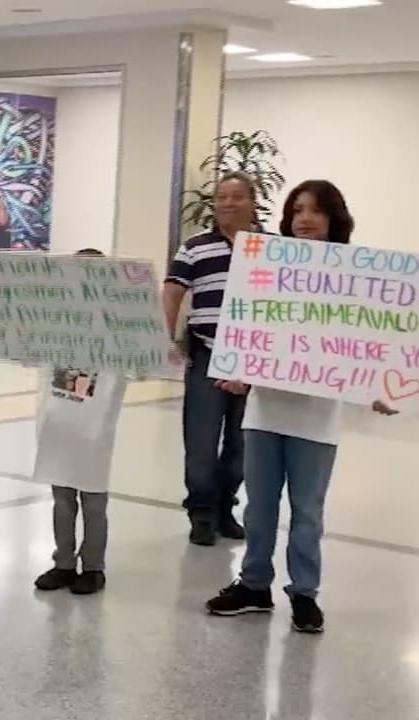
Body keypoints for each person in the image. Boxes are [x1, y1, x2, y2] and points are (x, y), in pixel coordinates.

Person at [205, 180, 398, 633]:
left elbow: (367, 339)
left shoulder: (353, 276)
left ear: (334, 218)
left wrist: (379, 387)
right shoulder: (268, 268)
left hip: (317, 419)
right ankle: (254, 584)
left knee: (307, 513)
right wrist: (239, 370)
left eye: (314, 211)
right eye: (297, 211)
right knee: (259, 508)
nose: (304, 219)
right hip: (265, 413)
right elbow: (253, 328)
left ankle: (304, 593)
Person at [163, 172, 256, 546]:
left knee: (242, 442)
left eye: (236, 196)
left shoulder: (272, 249)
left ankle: (225, 507)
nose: (227, 203)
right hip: (207, 353)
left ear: (252, 202)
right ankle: (201, 512)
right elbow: (172, 293)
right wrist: (165, 338)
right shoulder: (194, 248)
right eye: (221, 197)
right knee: (201, 439)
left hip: (254, 361)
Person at [32, 248, 128, 596]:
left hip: (94, 431)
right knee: (61, 500)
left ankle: (93, 566)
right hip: (58, 427)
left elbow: (144, 365)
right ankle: (63, 562)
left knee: (93, 502)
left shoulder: (119, 333)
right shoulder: (55, 327)